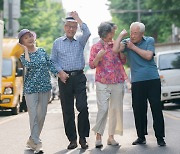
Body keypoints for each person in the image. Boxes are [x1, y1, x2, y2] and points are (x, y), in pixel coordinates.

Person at [113, 22, 166, 146]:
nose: (132, 35)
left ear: (142, 34)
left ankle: (160, 138)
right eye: (131, 32)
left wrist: (133, 47)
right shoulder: (127, 42)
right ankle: (141, 136)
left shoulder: (149, 40)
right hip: (137, 82)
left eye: (135, 33)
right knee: (138, 110)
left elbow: (148, 56)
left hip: (152, 80)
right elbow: (115, 49)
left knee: (156, 108)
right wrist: (121, 36)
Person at [51, 11, 90, 150]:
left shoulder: (80, 40)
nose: (71, 29)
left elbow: (88, 32)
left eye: (74, 26)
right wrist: (60, 72)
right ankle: (72, 139)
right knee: (67, 111)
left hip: (79, 77)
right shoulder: (57, 43)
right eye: (68, 26)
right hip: (64, 79)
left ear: (76, 28)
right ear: (64, 27)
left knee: (83, 107)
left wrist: (78, 18)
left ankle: (83, 138)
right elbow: (53, 61)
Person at [18, 29, 59, 153]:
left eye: (30, 36)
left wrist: (59, 74)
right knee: (33, 115)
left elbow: (50, 64)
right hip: (31, 89)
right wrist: (25, 50)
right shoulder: (23, 56)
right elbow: (28, 65)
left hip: (45, 87)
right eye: (26, 38)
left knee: (41, 115)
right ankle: (37, 142)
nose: (29, 38)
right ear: (22, 42)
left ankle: (32, 140)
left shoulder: (42, 51)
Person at [89, 21, 128, 148]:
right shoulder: (95, 47)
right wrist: (98, 57)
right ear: (106, 33)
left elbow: (123, 61)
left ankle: (111, 137)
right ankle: (98, 136)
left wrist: (122, 52)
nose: (114, 34)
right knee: (103, 109)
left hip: (117, 80)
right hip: (102, 81)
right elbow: (91, 65)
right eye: (112, 32)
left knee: (115, 109)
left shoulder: (116, 44)